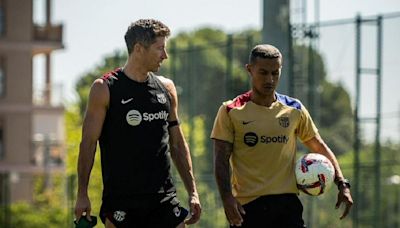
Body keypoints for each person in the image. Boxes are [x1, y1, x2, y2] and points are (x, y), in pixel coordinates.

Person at [74, 19, 201, 228]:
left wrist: (193, 192)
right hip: (122, 201)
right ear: (139, 49)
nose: (165, 55)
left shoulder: (166, 88)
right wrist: (82, 194)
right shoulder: (104, 89)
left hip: (164, 199)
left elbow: (177, 144)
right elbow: (88, 144)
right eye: (159, 48)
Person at [211, 44, 353, 227]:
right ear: (249, 70)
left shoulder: (294, 109)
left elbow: (319, 147)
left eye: (275, 73)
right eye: (263, 72)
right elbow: (220, 159)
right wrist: (227, 198)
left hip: (288, 206)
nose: (270, 79)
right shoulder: (231, 110)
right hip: (248, 208)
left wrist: (342, 184)